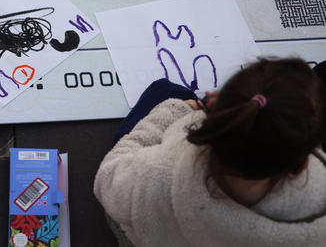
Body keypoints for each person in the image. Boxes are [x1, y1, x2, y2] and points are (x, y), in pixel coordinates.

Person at [94, 58, 326, 247]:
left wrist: (181, 110)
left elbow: (108, 178)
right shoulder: (318, 218)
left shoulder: (164, 169)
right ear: (301, 165)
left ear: (217, 110)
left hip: (154, 230)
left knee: (166, 91)